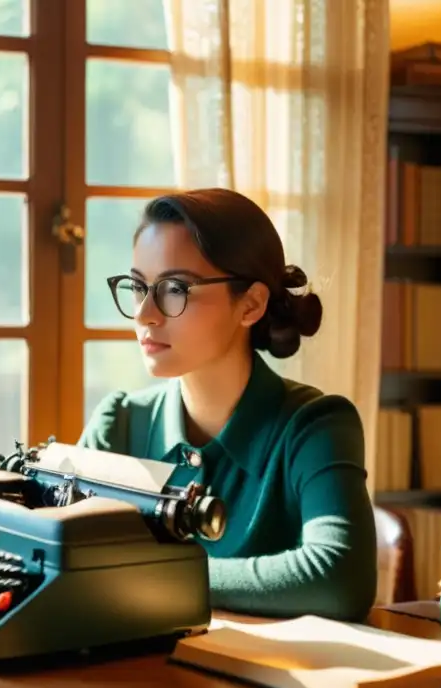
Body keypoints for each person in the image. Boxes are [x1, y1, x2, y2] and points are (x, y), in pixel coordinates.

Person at [77, 188, 377, 621]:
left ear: (251, 304)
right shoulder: (119, 422)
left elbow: (339, 578)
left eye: (175, 288)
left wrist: (147, 577)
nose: (144, 313)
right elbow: (65, 557)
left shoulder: (316, 426)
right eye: (139, 287)